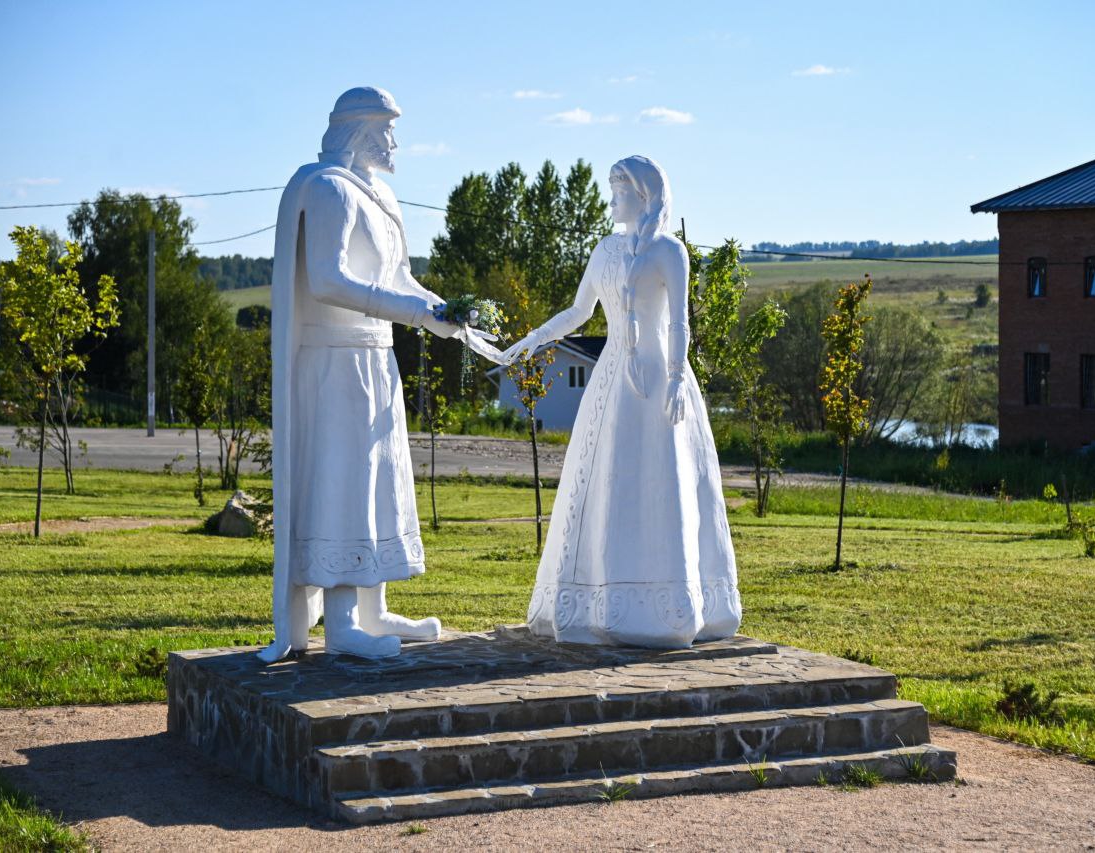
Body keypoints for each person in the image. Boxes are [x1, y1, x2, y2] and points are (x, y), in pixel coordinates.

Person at [260, 86, 496, 662]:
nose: (395, 141)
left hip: (374, 358)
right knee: (343, 481)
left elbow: (401, 279)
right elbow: (327, 279)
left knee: (379, 479)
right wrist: (415, 313)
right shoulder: (330, 189)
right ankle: (342, 624)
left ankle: (374, 609)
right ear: (359, 131)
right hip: (334, 361)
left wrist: (446, 313)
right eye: (386, 129)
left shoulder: (382, 197)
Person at [502, 155, 742, 648]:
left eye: (619, 191)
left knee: (661, 479)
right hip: (611, 379)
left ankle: (668, 606)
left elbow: (679, 322)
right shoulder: (605, 249)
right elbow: (579, 311)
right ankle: (601, 601)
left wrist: (675, 378)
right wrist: (535, 339)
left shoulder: (669, 251)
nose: (611, 200)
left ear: (644, 195)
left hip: (659, 378)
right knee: (609, 478)